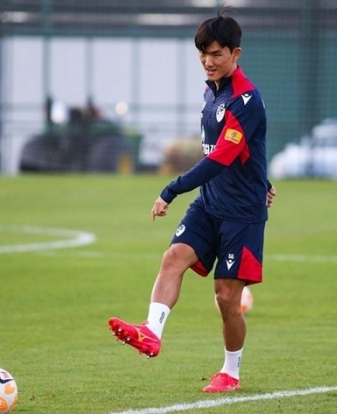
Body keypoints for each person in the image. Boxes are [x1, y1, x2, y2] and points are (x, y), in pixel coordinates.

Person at [109, 5, 276, 393]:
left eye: (217, 54)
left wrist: (171, 189)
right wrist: (262, 178)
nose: (208, 61)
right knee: (173, 258)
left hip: (241, 214)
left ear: (235, 53)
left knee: (227, 298)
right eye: (203, 53)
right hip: (209, 203)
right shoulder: (211, 93)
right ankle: (151, 332)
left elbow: (222, 156)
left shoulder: (246, 100)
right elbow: (240, 151)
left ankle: (230, 372)